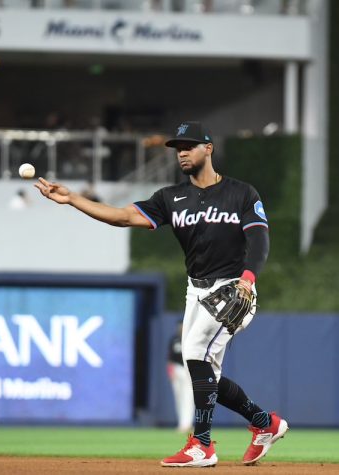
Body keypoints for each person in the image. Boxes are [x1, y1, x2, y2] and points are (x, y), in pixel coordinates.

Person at [34, 121, 287, 467]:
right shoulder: (170, 198)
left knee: (196, 354)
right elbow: (122, 217)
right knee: (202, 371)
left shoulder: (242, 193)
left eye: (189, 145)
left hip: (234, 287)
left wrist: (248, 278)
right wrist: (73, 199)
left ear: (208, 148)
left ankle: (202, 445)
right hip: (196, 291)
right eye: (177, 147)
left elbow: (259, 239)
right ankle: (264, 423)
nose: (181, 152)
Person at [167, 321, 193, 433]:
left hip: (187, 369)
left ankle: (186, 424)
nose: (181, 328)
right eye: (180, 326)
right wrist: (170, 371)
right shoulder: (174, 339)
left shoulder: (191, 338)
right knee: (178, 397)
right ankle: (181, 423)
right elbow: (169, 357)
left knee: (188, 397)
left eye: (183, 325)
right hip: (177, 368)